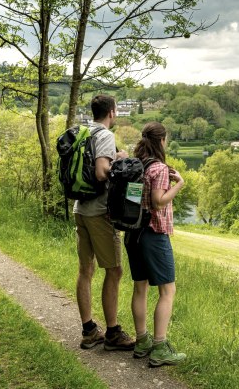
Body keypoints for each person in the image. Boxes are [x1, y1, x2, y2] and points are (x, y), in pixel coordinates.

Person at [75, 94, 135, 351]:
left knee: (85, 270)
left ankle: (89, 330)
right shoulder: (105, 136)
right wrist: (120, 160)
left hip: (80, 207)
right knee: (114, 270)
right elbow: (101, 172)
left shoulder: (81, 131)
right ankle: (112, 333)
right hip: (99, 212)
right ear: (112, 112)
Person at [125, 122, 186, 367]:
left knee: (139, 288)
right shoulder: (159, 168)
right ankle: (160, 346)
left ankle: (141, 341)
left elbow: (132, 199)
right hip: (153, 234)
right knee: (167, 291)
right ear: (161, 141)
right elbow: (159, 202)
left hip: (133, 233)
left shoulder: (135, 165)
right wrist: (179, 184)